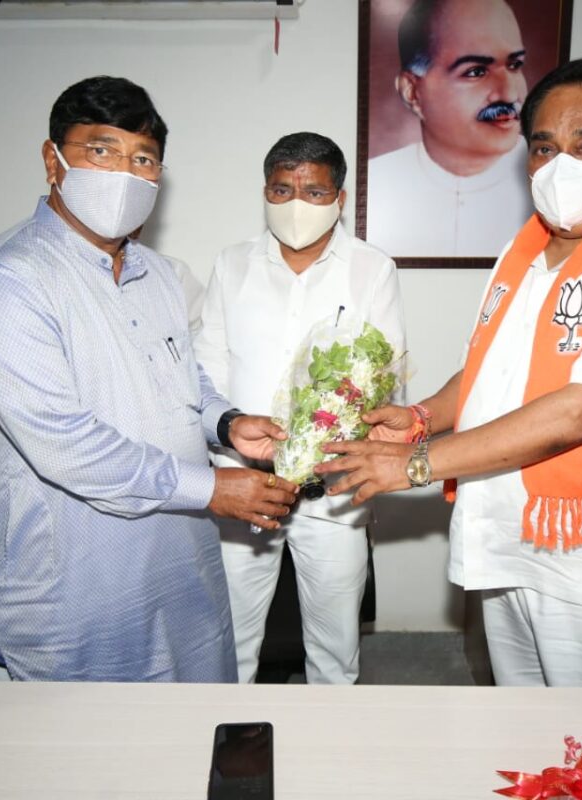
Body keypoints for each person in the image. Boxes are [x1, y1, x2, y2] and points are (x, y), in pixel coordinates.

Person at [318, 55, 582, 687]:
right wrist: (422, 418)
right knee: (523, 733)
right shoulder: (525, 249)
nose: (561, 166)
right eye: (544, 148)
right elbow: (488, 372)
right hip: (511, 542)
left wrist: (417, 464)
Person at [0, 76, 298, 684]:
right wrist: (212, 489)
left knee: (189, 730)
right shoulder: (6, 280)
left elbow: (182, 377)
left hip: (179, 563)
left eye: (144, 160)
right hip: (69, 589)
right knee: (78, 741)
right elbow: (64, 444)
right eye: (101, 150)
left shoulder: (157, 274)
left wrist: (228, 424)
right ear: (52, 159)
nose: (125, 174)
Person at [195, 132, 407, 684]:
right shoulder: (232, 263)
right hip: (244, 480)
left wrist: (323, 453)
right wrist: (227, 447)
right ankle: (229, 728)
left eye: (314, 192)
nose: (296, 204)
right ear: (265, 192)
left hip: (331, 487)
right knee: (231, 641)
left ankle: (330, 735)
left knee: (335, 648)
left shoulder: (371, 268)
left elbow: (382, 379)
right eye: (281, 189)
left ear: (339, 198)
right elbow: (207, 369)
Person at [366, 0, 533, 258]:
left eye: (514, 65)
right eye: (476, 72)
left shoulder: (547, 182)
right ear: (413, 92)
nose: (510, 93)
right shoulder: (378, 179)